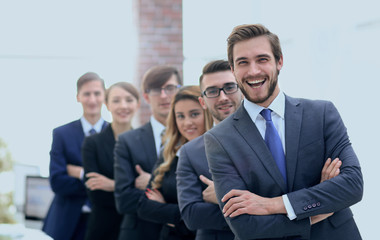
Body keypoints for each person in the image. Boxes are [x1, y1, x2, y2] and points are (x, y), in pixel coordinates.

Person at [204, 23, 363, 240]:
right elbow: (244, 226)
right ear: (233, 70)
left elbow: (352, 185)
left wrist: (273, 204)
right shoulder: (219, 139)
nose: (253, 71)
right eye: (243, 62)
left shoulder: (322, 113)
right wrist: (319, 206)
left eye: (262, 59)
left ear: (279, 61)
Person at [176, 60, 243, 240]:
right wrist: (261, 208)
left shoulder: (270, 137)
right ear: (203, 101)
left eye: (229, 87)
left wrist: (222, 196)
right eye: (212, 91)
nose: (222, 97)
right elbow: (191, 215)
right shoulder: (190, 152)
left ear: (242, 89)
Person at [114, 65, 182, 240]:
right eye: (156, 90)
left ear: (179, 91)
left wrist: (151, 182)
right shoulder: (127, 141)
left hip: (182, 234)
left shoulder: (193, 138)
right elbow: (124, 199)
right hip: (139, 233)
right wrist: (175, 206)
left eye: (170, 88)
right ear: (145, 96)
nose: (164, 95)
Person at [137, 85, 213, 240]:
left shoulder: (218, 154)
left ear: (208, 113)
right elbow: (144, 206)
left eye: (194, 114)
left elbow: (212, 217)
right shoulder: (171, 152)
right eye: (180, 116)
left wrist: (164, 210)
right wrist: (184, 216)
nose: (187, 123)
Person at [43, 72, 108, 240]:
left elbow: (120, 182)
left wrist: (80, 173)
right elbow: (57, 182)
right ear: (78, 97)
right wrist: (100, 181)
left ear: (104, 95)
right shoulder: (61, 134)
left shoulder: (116, 135)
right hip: (67, 223)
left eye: (96, 93)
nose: (92, 100)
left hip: (105, 222)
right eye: (87, 94)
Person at [82, 82, 140, 240]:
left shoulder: (145, 143)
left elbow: (151, 192)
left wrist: (113, 185)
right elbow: (96, 194)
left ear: (138, 103)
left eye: (129, 100)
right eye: (116, 100)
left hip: (138, 228)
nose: (123, 106)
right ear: (106, 104)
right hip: (102, 229)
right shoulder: (92, 143)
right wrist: (133, 186)